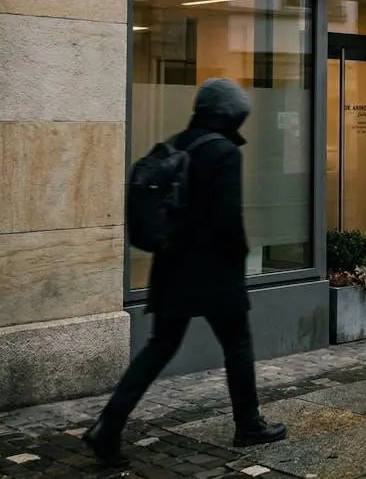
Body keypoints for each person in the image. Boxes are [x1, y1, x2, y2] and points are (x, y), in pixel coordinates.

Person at [85, 79, 287, 467]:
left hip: (172, 265)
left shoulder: (177, 143)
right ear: (229, 114)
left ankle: (108, 425)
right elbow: (227, 219)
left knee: (159, 347)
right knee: (238, 345)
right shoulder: (224, 151)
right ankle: (249, 424)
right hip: (213, 269)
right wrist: (238, 258)